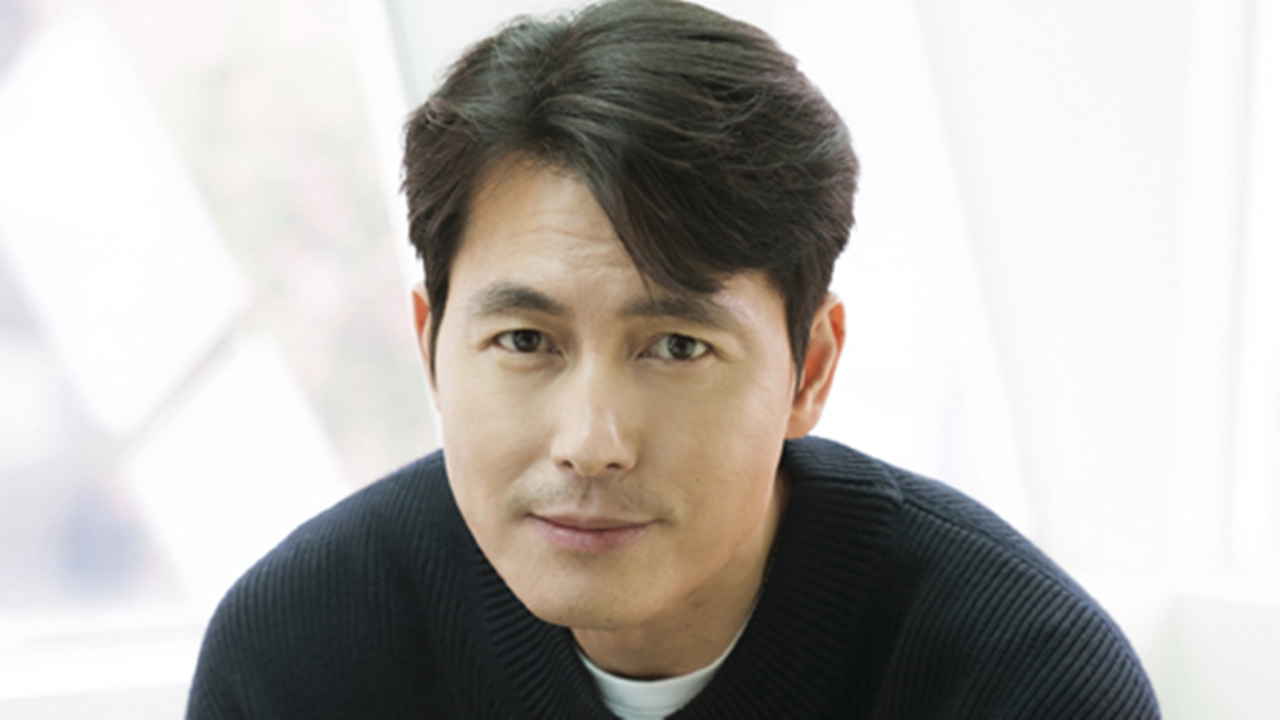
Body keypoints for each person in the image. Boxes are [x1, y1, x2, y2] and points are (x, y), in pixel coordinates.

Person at [186, 0, 1160, 717]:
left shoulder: (1020, 679)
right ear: (431, 348)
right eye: (524, 341)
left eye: (677, 346)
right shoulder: (302, 653)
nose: (590, 442)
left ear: (810, 369)